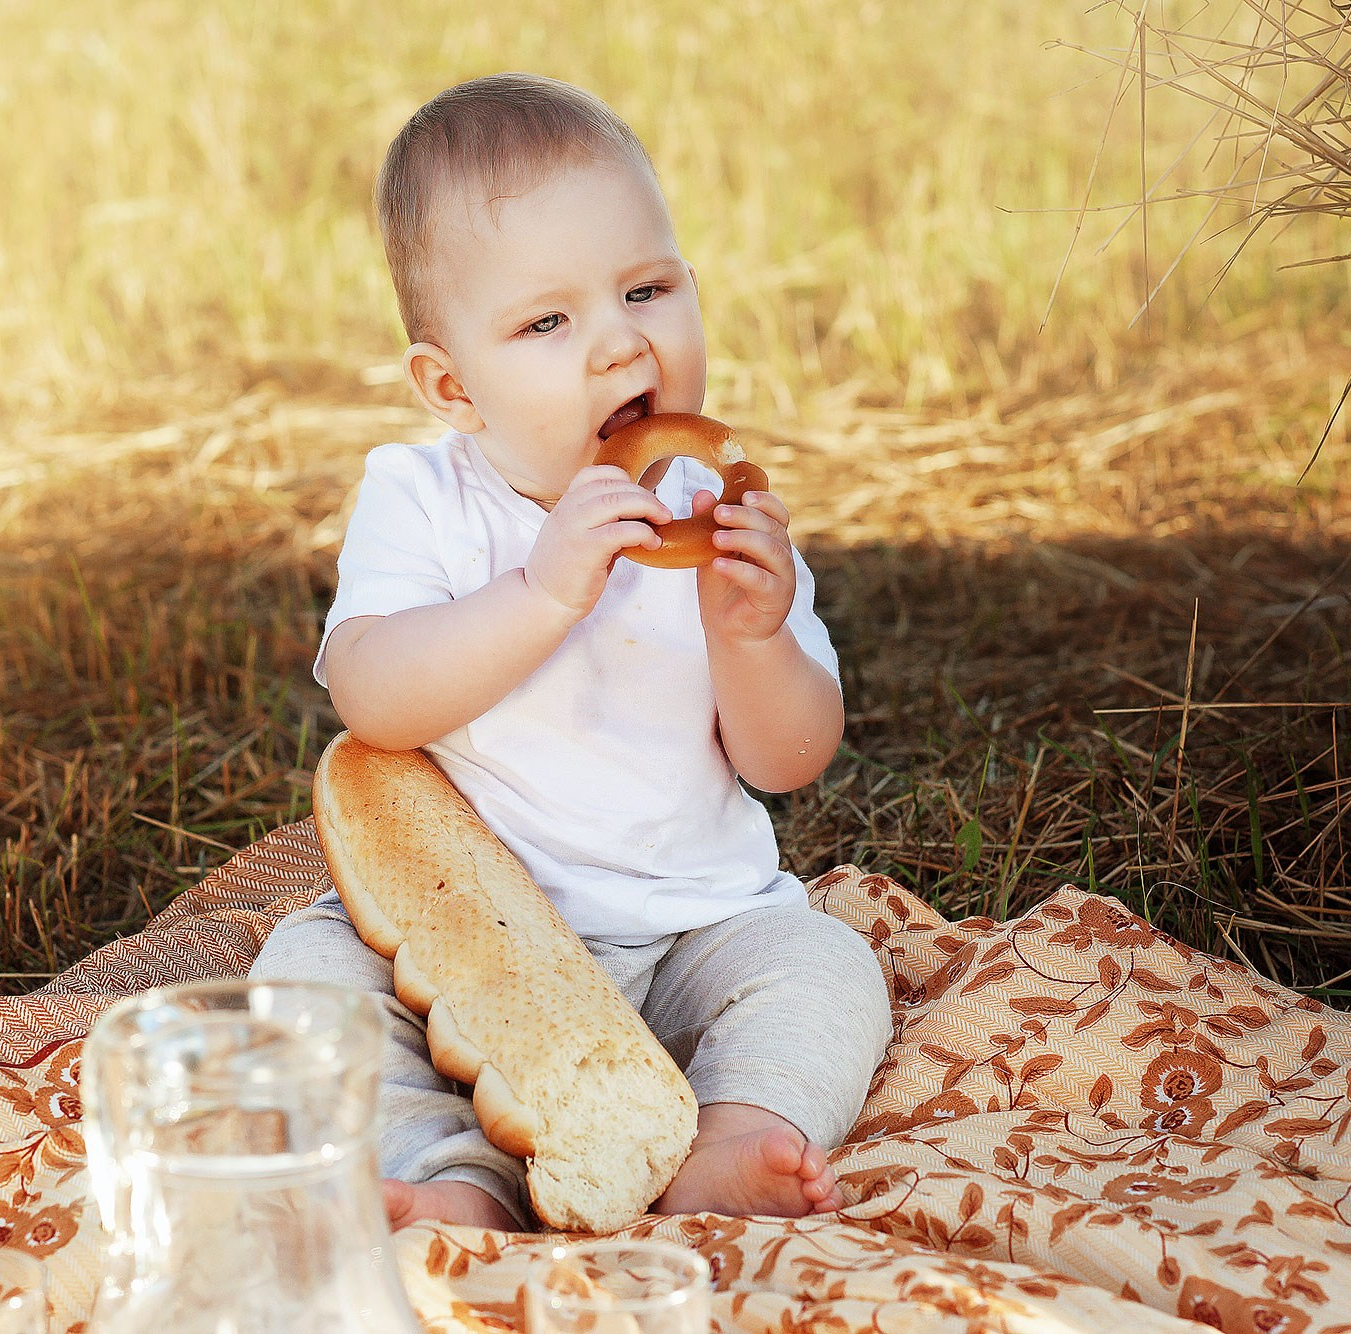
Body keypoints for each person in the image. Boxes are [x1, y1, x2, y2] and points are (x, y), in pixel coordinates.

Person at [248, 72, 892, 1233]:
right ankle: (450, 1174)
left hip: (689, 926)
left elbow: (788, 759)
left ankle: (728, 1130)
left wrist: (753, 633)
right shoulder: (425, 499)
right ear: (452, 385)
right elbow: (372, 693)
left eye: (645, 289)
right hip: (470, 935)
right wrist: (541, 591)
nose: (615, 344)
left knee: (825, 965)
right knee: (304, 972)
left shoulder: (712, 514)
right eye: (546, 322)